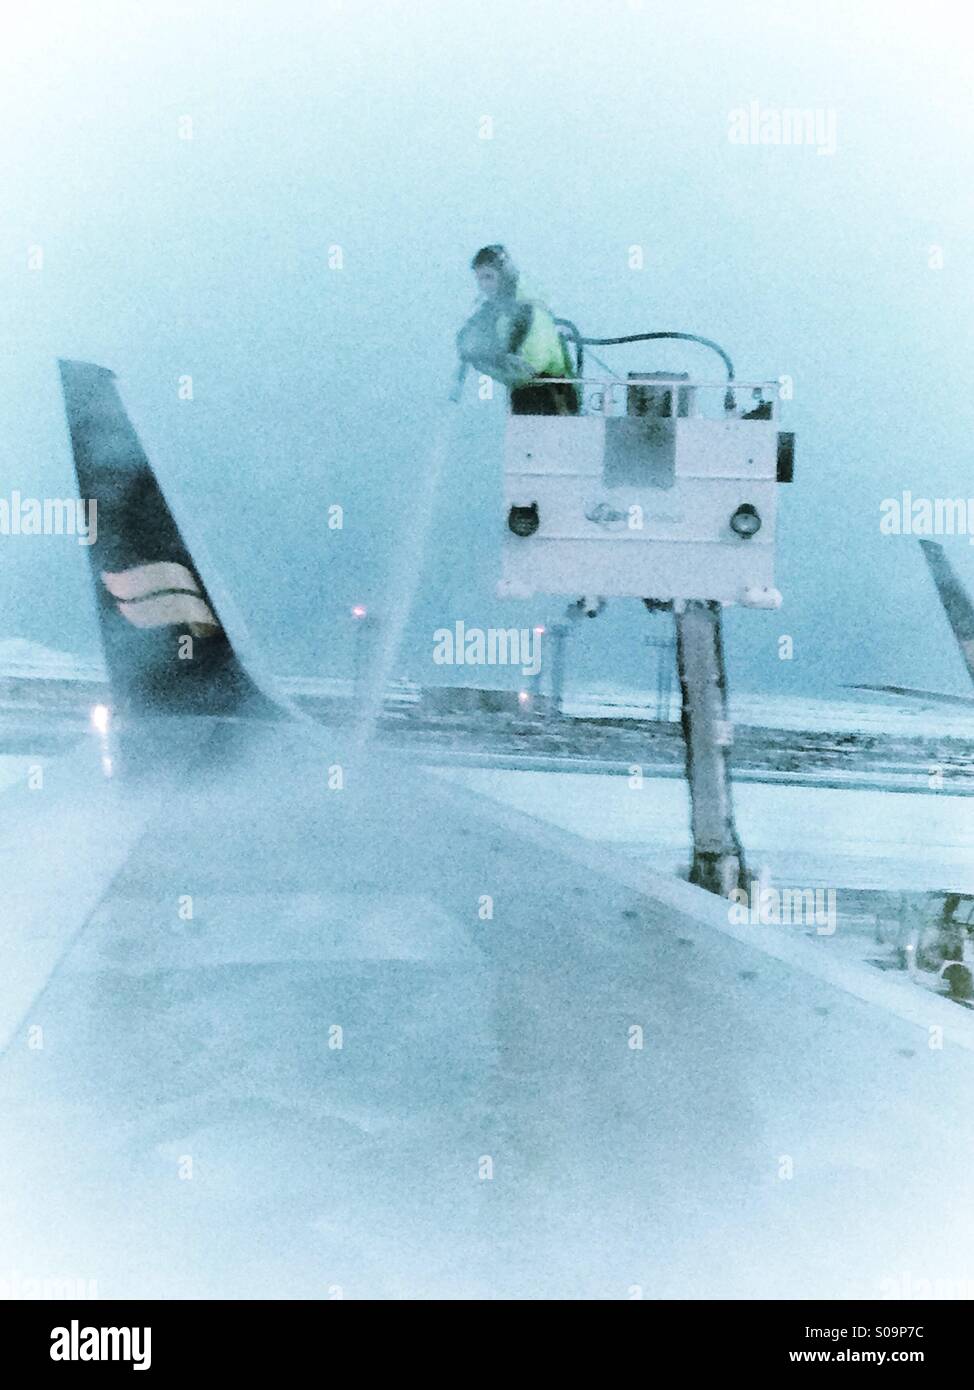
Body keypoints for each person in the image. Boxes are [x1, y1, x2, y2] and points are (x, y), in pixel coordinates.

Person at [454, 245, 579, 415]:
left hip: (552, 399)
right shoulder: (496, 311)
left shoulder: (531, 311)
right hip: (524, 397)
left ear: (505, 276)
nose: (483, 286)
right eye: (480, 279)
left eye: (488, 277)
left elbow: (528, 370)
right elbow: (469, 338)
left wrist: (487, 359)